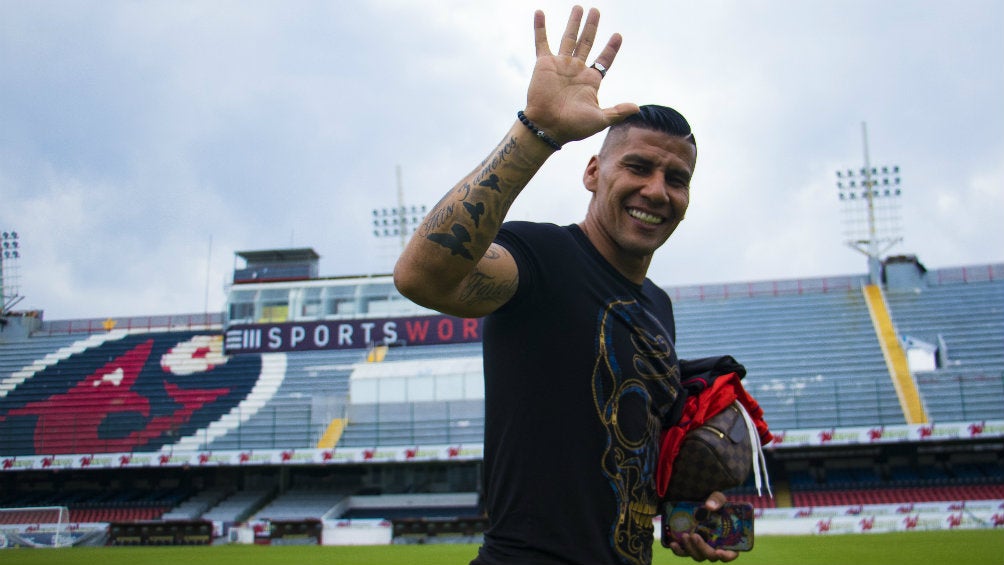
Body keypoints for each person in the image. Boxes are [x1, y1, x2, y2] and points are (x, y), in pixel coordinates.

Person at [394, 6, 739, 564]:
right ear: (592, 173)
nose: (657, 190)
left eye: (677, 179)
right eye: (638, 167)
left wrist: (682, 512)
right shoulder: (542, 257)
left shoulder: (658, 307)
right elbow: (421, 277)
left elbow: (634, 453)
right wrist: (539, 132)